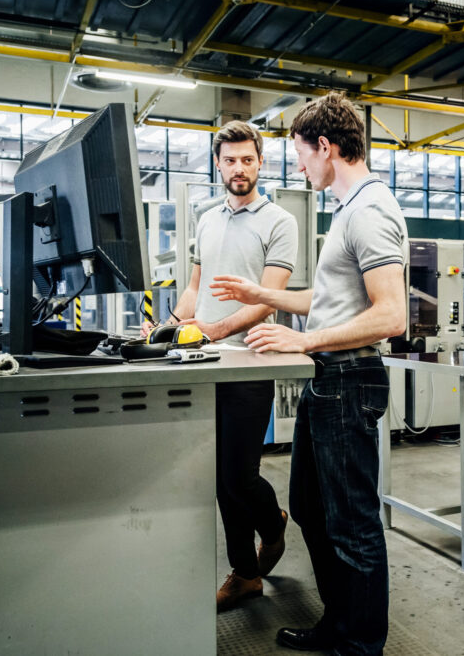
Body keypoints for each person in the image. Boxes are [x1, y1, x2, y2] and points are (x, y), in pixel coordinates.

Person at [210, 93, 408, 655]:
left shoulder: (369, 209)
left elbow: (389, 315)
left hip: (350, 380)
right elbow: (327, 299)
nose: (298, 167)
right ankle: (339, 623)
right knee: (312, 509)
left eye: (301, 155)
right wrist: (261, 293)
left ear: (326, 147)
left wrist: (304, 340)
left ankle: (361, 643)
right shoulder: (347, 210)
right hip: (330, 381)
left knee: (352, 524)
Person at [143, 120, 298, 612]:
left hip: (250, 361)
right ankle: (245, 572)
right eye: (230, 160)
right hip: (203, 362)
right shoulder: (207, 219)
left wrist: (214, 331)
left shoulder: (280, 222)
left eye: (247, 159)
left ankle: (272, 525)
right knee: (217, 477)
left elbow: (266, 301)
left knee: (239, 475)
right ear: (218, 164)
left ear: (260, 163)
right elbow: (194, 289)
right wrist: (166, 326)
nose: (239, 168)